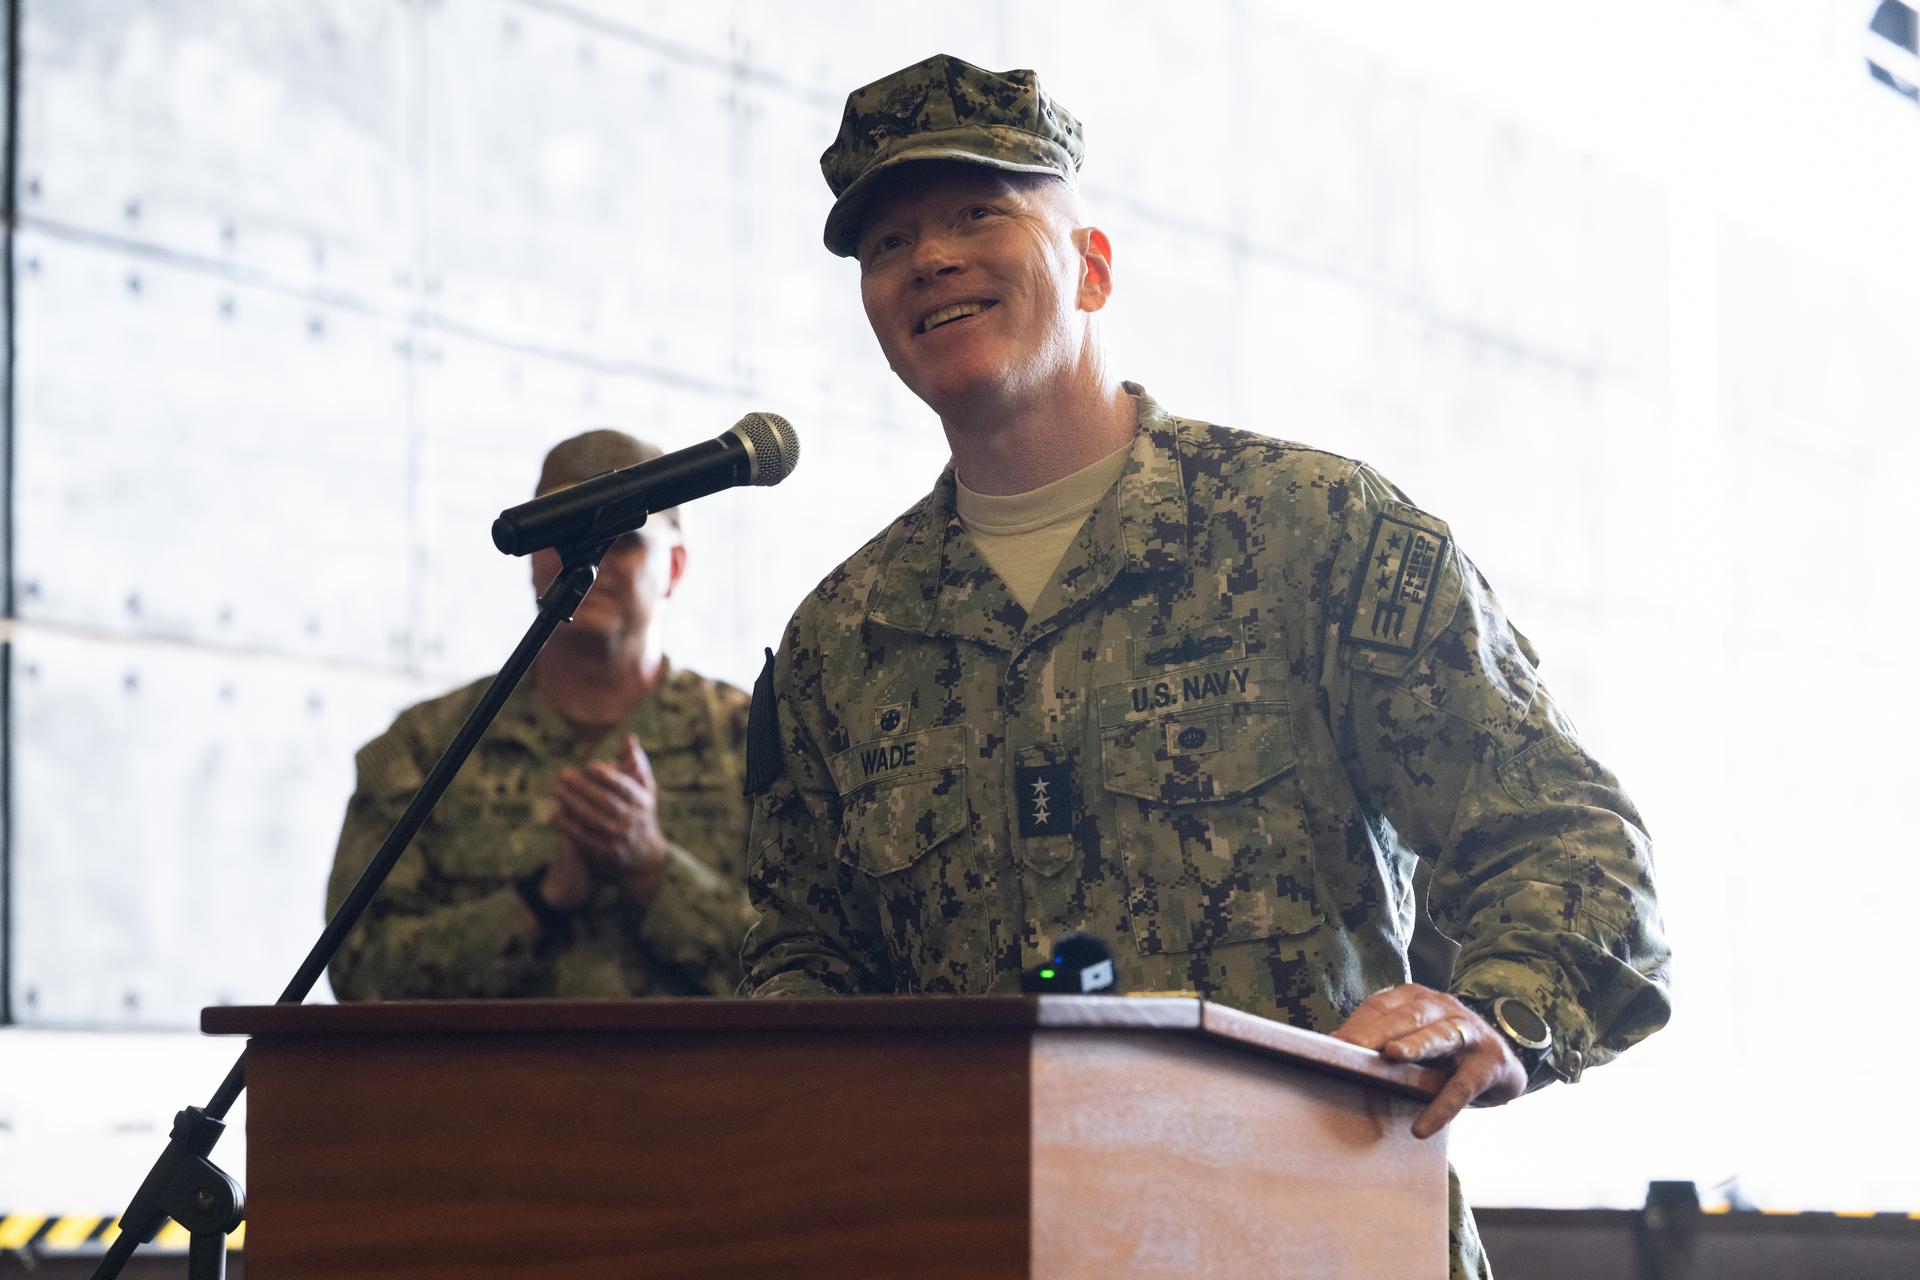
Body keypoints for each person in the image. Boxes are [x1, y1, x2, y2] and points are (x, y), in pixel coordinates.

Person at [739, 56, 1672, 1278]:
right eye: (888, 242)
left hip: (1318, 1236)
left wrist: (1493, 1010)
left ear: (1093, 264)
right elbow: (803, 974)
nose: (930, 259)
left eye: (981, 213)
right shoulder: (844, 644)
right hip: (982, 1241)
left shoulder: (1311, 532)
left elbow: (1572, 841)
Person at [329, 429, 755, 1001]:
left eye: (624, 540)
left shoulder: (755, 741)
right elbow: (359, 970)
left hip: (699, 1089)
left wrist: (654, 871)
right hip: (485, 1090)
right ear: (533, 556)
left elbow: (812, 973)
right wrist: (538, 902)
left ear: (674, 567)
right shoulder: (428, 746)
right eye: (566, 534)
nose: (593, 558)